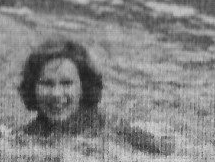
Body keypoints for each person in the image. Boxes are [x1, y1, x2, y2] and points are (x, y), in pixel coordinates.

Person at [18, 39, 174, 155]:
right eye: (46, 84)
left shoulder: (110, 128)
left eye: (66, 83)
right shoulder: (28, 134)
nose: (56, 94)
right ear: (32, 88)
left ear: (83, 88)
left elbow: (166, 151)